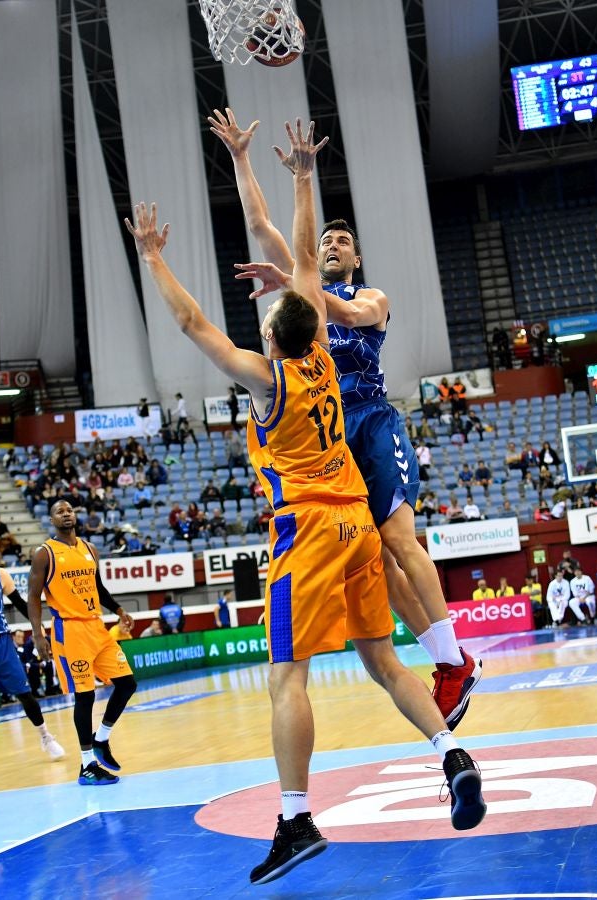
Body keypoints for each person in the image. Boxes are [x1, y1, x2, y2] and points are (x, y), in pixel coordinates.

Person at [126, 121, 485, 885]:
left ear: (269, 332)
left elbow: (192, 323)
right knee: (381, 658)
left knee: (286, 674)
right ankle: (452, 754)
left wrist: (153, 257)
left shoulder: (272, 378)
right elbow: (295, 251)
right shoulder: (319, 351)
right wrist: (295, 178)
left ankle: (295, 819)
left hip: (312, 527)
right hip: (355, 519)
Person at [211, 108, 481, 731]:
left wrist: (296, 283)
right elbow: (259, 225)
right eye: (325, 241)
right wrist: (241, 158)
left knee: (400, 540)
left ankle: (454, 659)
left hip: (373, 422)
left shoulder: (370, 297)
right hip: (331, 443)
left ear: (355, 257)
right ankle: (445, 661)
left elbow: (351, 316)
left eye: (341, 243)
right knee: (374, 557)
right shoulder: (305, 289)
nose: (330, 246)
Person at [27, 500, 137, 786]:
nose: (66, 514)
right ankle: (87, 765)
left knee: (127, 684)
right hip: (70, 630)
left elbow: (97, 587)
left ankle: (101, 739)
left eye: (69, 510)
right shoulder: (45, 553)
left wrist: (119, 610)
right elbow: (33, 596)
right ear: (52, 520)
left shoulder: (90, 549)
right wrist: (38, 634)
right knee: (85, 696)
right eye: (59, 512)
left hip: (96, 626)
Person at [0, 567, 64, 760]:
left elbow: (21, 604)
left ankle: (46, 737)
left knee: (24, 694)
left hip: (1, 642)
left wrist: (38, 629)